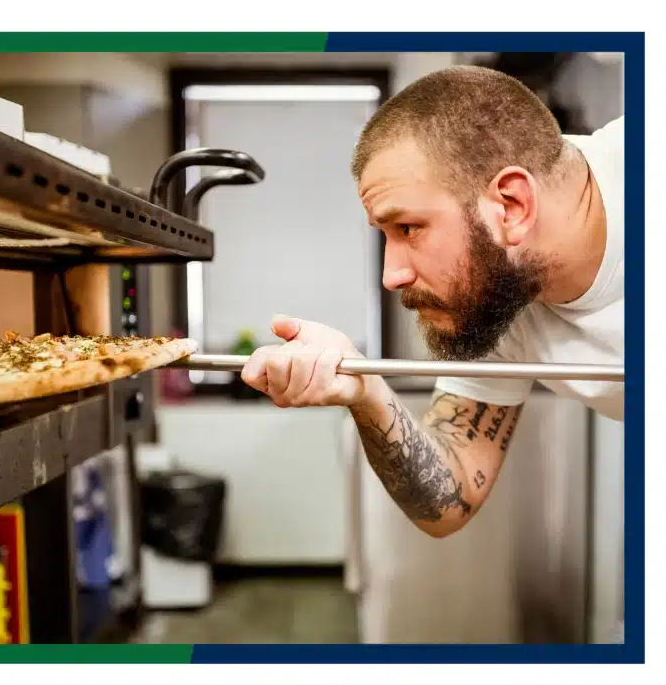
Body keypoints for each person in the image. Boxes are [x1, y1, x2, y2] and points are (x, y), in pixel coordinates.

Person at [240, 65, 624, 539]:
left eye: (408, 228)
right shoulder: (500, 290)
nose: (392, 276)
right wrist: (366, 390)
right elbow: (449, 498)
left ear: (511, 206)